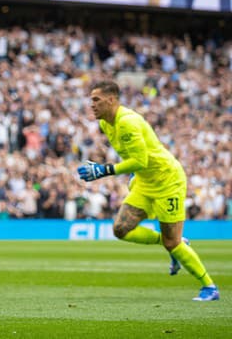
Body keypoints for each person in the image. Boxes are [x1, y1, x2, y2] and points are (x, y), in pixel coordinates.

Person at [77, 81, 219, 301]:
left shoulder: (127, 122)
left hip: (167, 181)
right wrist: (133, 176)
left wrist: (103, 170)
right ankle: (175, 243)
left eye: (96, 100)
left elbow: (141, 159)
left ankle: (209, 287)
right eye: (91, 100)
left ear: (111, 99)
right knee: (121, 229)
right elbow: (137, 155)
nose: (91, 105)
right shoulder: (107, 123)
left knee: (173, 242)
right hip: (145, 181)